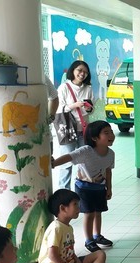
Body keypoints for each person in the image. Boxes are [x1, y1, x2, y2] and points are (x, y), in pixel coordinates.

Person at [52, 121, 115, 252]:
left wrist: (109, 188)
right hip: (84, 188)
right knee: (89, 214)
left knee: (98, 212)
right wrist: (54, 163)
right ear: (94, 138)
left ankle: (97, 236)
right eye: (106, 133)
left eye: (111, 132)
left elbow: (108, 171)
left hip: (99, 188)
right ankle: (89, 240)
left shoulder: (110, 153)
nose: (111, 135)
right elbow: (69, 156)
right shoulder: (86, 151)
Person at [38, 189, 113, 263]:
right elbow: (52, 256)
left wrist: (77, 262)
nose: (79, 208)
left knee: (100, 254)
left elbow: (69, 251)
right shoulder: (56, 228)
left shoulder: (68, 227)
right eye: (75, 205)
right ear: (63, 208)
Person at [55, 60, 94, 190]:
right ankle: (64, 191)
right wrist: (74, 105)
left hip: (83, 129)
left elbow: (91, 108)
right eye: (80, 71)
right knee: (66, 163)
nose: (82, 74)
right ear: (73, 71)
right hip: (67, 129)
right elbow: (59, 109)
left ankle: (83, 189)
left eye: (85, 72)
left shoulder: (88, 88)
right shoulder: (64, 88)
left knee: (84, 161)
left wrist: (89, 108)